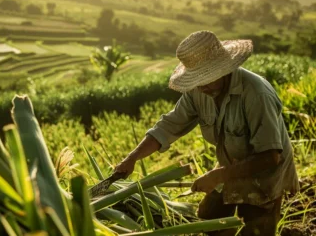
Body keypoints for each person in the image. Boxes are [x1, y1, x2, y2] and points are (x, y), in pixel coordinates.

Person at [113, 30, 299, 236]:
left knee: (256, 229)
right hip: (230, 166)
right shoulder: (199, 90)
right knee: (207, 221)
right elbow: (168, 126)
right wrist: (132, 159)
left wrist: (218, 175)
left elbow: (270, 157)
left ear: (224, 69)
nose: (202, 88)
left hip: (265, 177)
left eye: (207, 79)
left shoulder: (256, 93)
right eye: (197, 81)